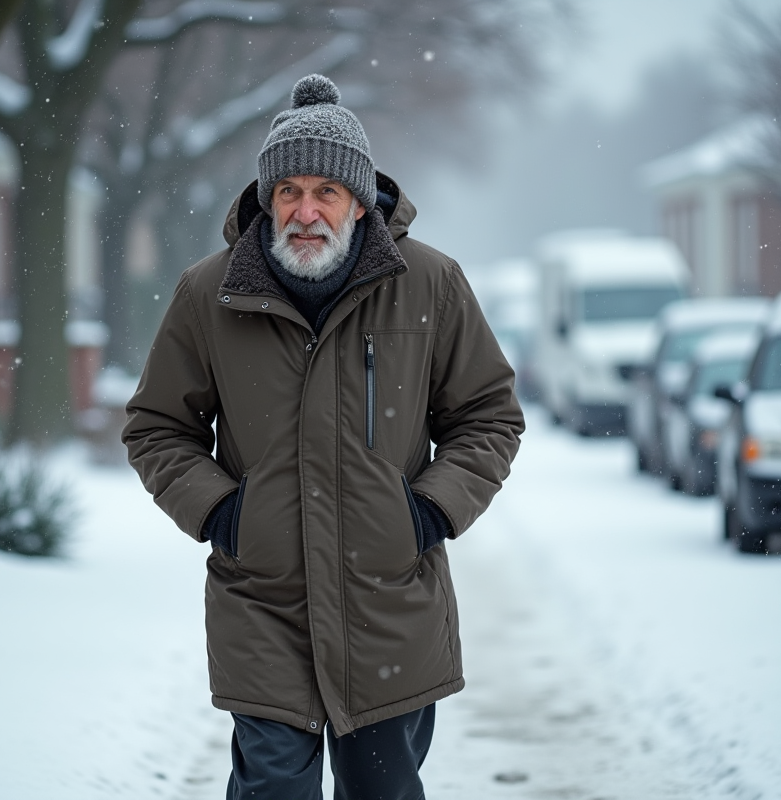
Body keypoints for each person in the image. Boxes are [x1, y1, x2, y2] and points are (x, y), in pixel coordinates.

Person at [123, 74, 524, 800]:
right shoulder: (208, 295)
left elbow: (489, 415)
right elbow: (157, 426)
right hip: (263, 606)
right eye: (289, 192)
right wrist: (221, 512)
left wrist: (427, 511)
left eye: (325, 192)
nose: (305, 211)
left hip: (390, 606)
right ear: (267, 200)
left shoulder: (431, 285)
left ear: (360, 201)